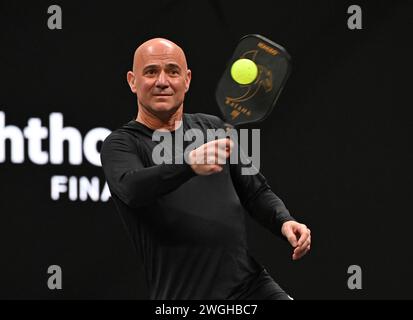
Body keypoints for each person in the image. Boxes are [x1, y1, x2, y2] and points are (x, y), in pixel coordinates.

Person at [100, 38, 311, 300]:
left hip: (251, 287)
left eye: (173, 71)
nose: (163, 81)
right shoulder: (121, 144)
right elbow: (132, 188)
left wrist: (284, 220)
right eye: (151, 71)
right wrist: (189, 164)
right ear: (133, 81)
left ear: (187, 79)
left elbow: (255, 191)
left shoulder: (212, 128)